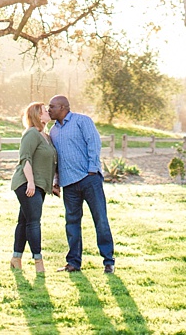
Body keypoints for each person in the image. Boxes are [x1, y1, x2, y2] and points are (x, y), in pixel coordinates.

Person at [46, 94, 115, 273]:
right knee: (72, 223)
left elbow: (94, 143)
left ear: (63, 107)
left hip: (89, 180)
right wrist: (56, 181)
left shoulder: (82, 121)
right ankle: (73, 263)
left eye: (52, 106)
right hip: (69, 184)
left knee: (100, 219)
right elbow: (56, 159)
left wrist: (92, 169)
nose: (49, 109)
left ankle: (108, 261)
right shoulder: (53, 131)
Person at [10, 101, 58, 274]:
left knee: (24, 221)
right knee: (33, 222)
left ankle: (16, 259)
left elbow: (48, 162)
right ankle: (38, 262)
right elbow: (25, 159)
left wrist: (52, 184)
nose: (48, 112)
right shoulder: (31, 134)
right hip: (26, 184)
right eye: (45, 110)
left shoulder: (46, 136)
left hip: (39, 185)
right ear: (38, 115)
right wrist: (30, 182)